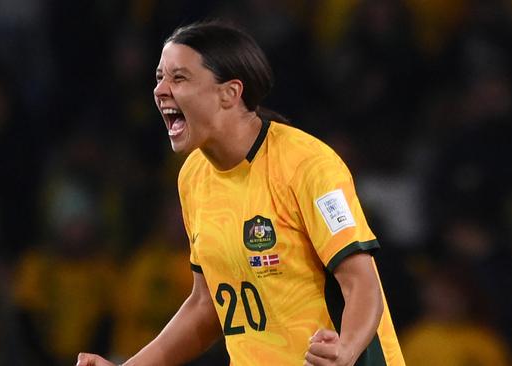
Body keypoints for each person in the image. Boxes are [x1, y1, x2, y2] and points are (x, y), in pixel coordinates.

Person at [77, 21, 404, 366]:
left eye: (179, 78)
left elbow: (362, 285)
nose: (160, 90)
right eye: (159, 77)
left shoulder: (307, 165)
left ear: (230, 93)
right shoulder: (193, 176)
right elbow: (207, 306)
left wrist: (345, 351)